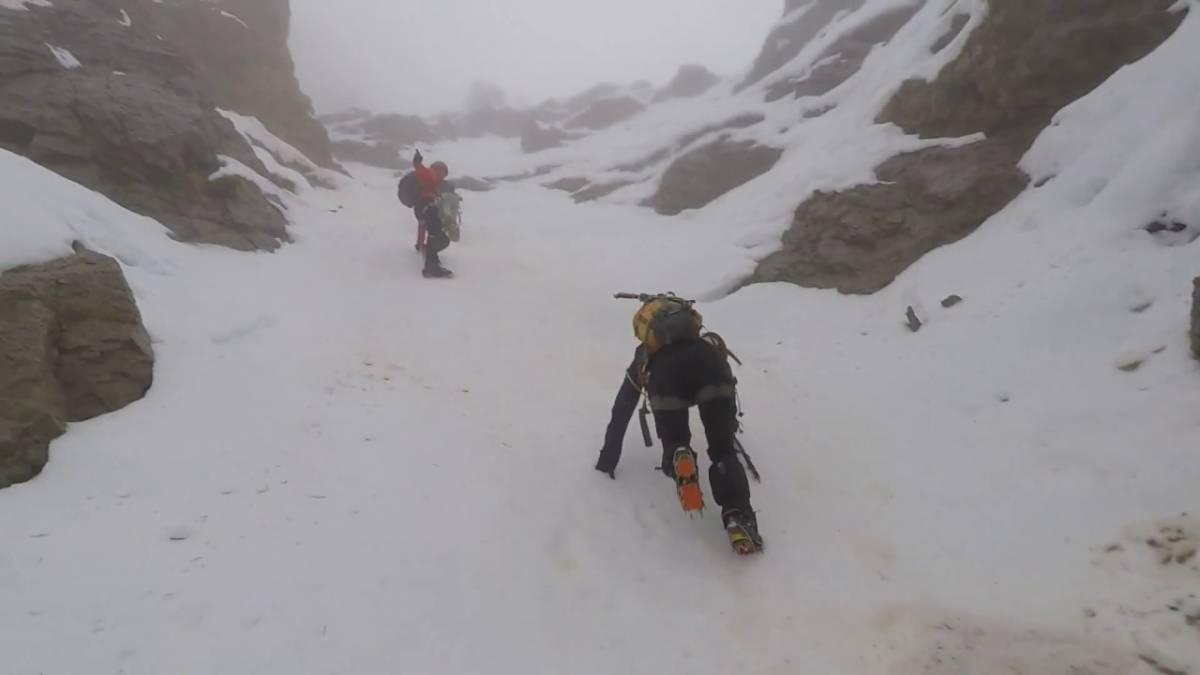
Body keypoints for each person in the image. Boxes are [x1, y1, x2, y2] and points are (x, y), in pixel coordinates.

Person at [597, 295, 763, 553]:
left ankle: (679, 454)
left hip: (666, 380)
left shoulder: (645, 355)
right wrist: (727, 423)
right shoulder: (705, 341)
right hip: (710, 369)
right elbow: (725, 375)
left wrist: (607, 459)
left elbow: (623, 407)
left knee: (675, 440)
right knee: (722, 449)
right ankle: (736, 516)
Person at [411, 149, 453, 278]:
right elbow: (423, 172)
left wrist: (419, 243)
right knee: (440, 237)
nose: (443, 177)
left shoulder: (431, 186)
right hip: (427, 206)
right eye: (444, 173)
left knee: (435, 234)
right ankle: (431, 266)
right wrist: (417, 162)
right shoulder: (431, 174)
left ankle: (433, 262)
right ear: (439, 169)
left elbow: (422, 225)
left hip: (421, 209)